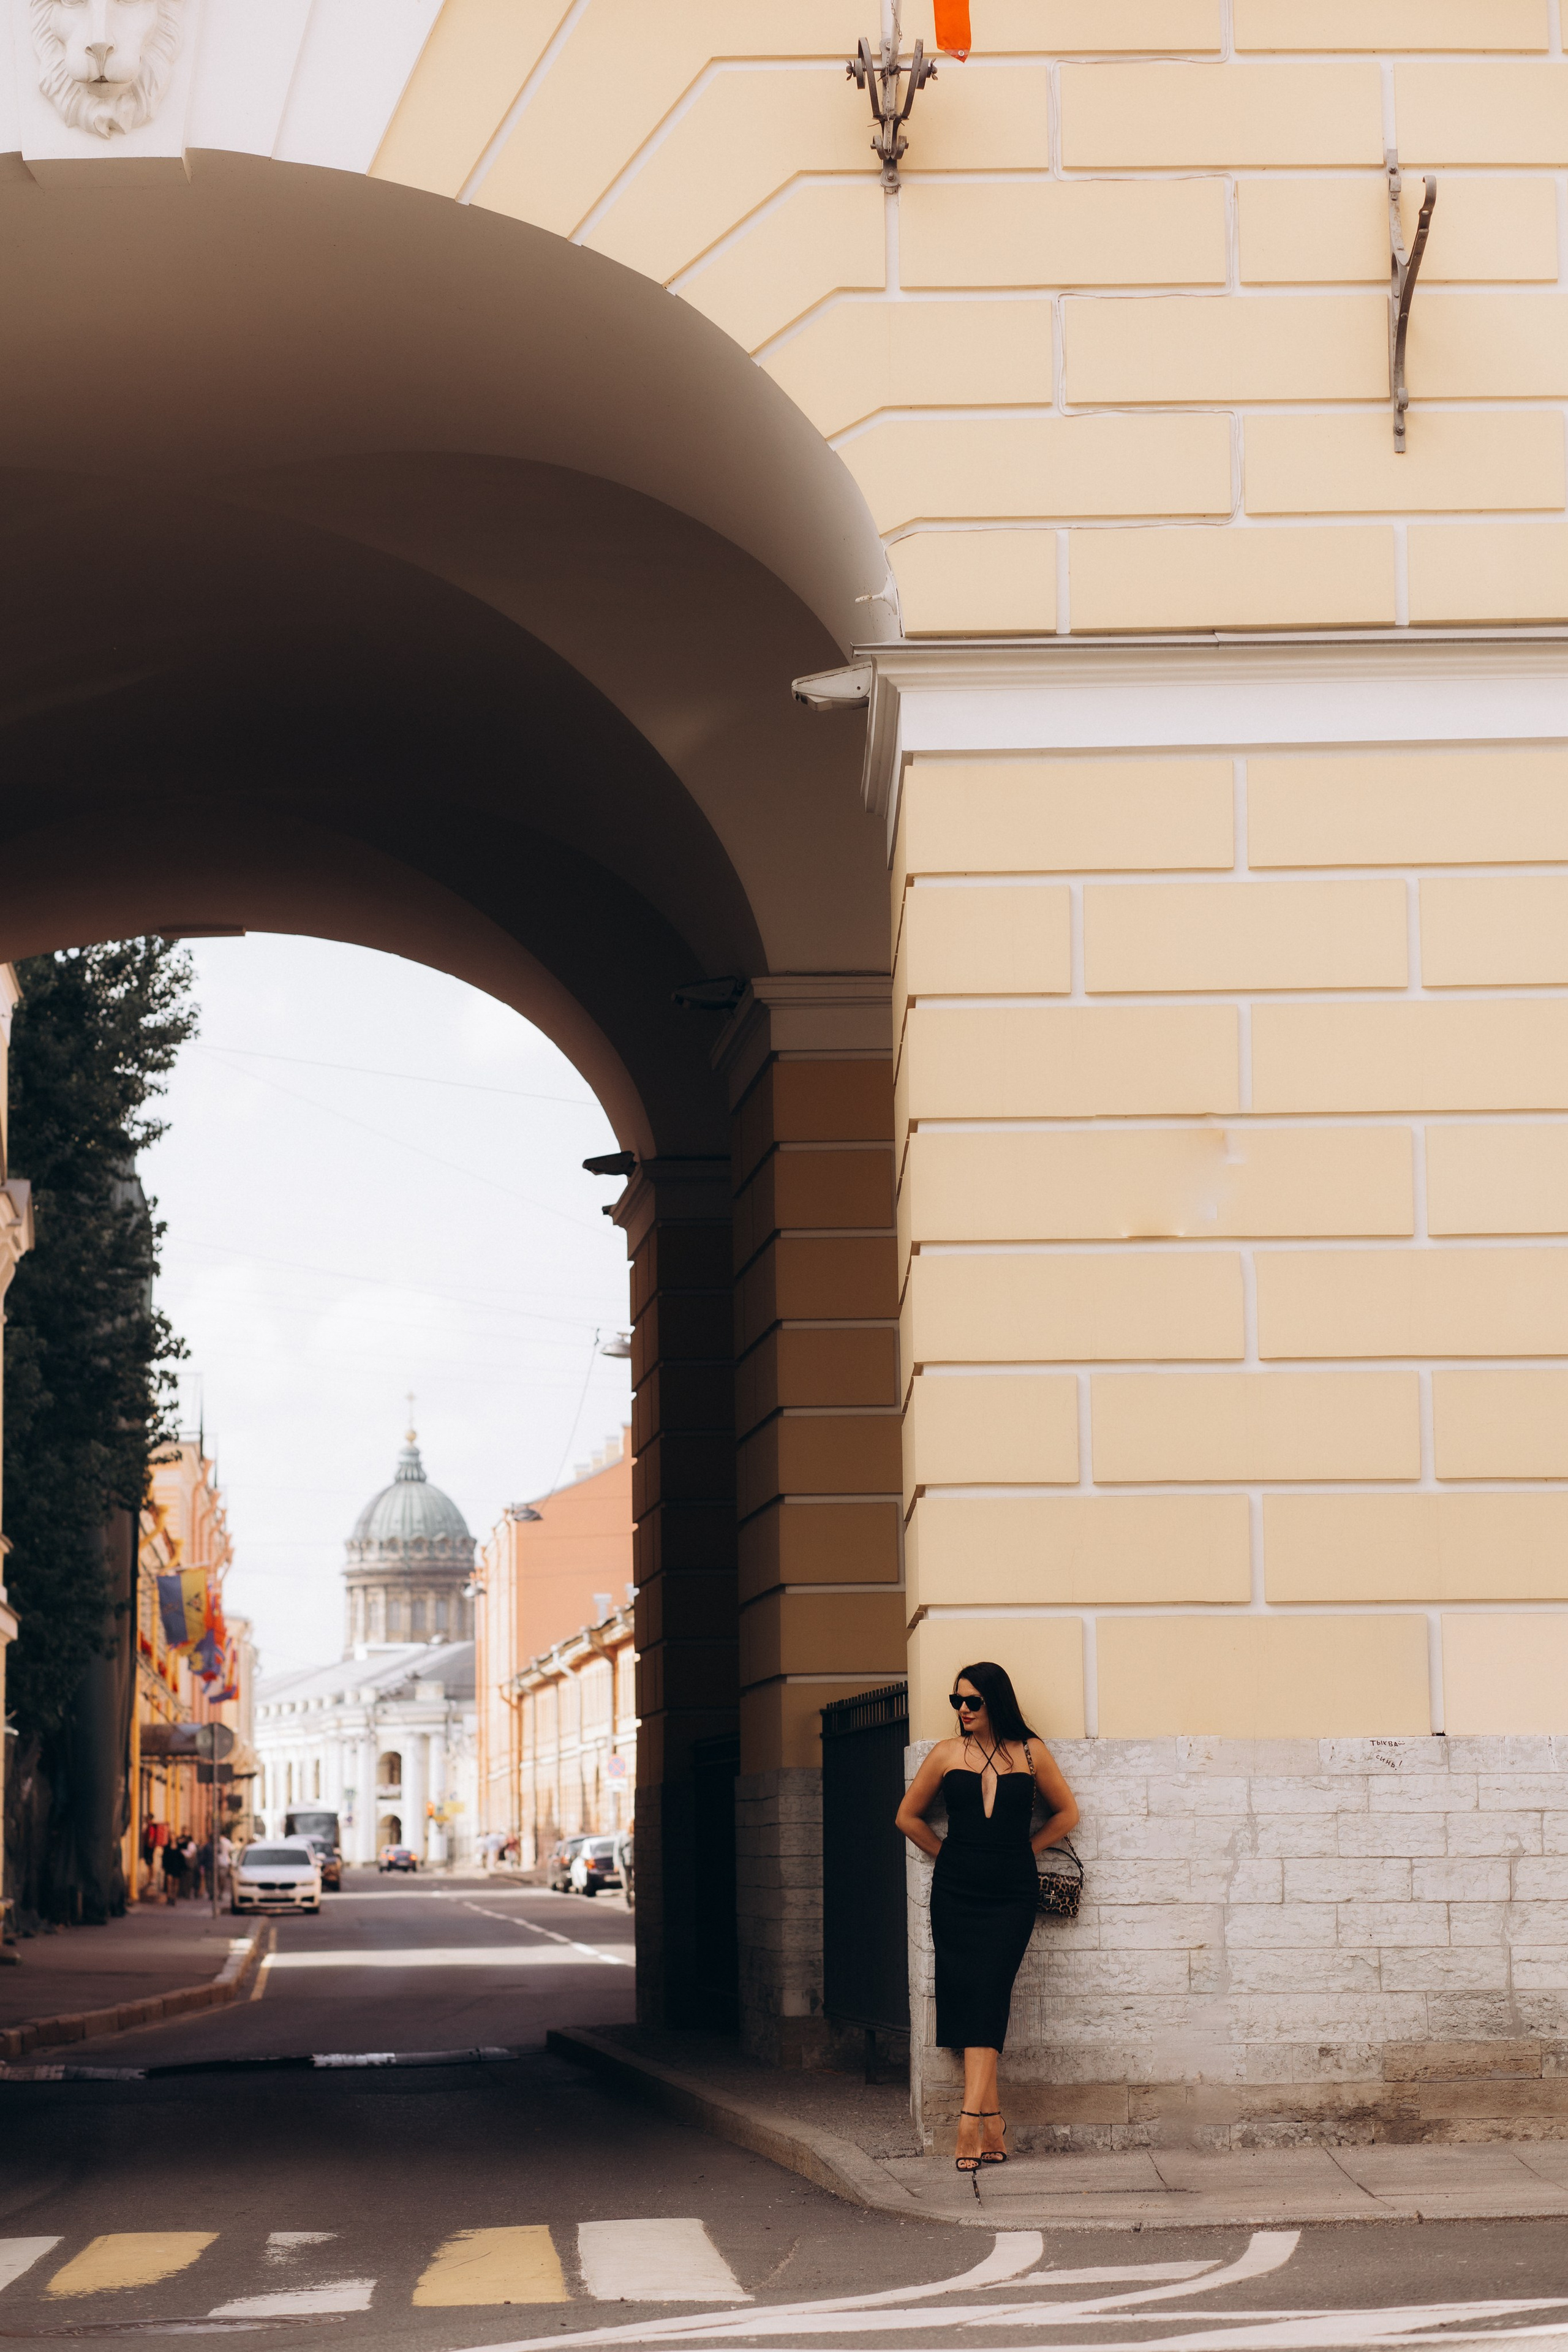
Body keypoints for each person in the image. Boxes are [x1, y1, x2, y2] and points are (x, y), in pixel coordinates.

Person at [895, 1660, 1078, 2176]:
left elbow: (1067, 1815)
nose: (964, 1710)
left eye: (973, 1701)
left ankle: (969, 2119)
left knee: (991, 1990)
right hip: (956, 1891)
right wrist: (947, 1854)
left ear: (996, 1701)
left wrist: (1027, 1850)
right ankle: (992, 2119)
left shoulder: (1031, 1753)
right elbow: (906, 1816)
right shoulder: (946, 1754)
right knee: (973, 1995)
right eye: (957, 1701)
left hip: (1011, 1894)